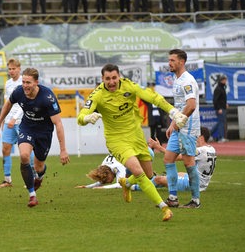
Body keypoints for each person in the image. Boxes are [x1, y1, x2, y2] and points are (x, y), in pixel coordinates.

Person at [77, 63, 188, 221]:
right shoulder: (97, 95)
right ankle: (164, 208)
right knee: (138, 172)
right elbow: (81, 116)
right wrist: (87, 118)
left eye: (114, 77)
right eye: (107, 79)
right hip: (117, 140)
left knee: (149, 174)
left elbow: (153, 97)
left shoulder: (129, 86)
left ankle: (127, 183)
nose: (112, 82)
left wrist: (173, 112)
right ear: (102, 79)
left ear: (119, 76)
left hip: (136, 136)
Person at [0, 68, 70, 207]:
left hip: (44, 133)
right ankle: (32, 195)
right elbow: (8, 104)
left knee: (38, 166)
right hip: (27, 127)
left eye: (28, 82)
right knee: (24, 156)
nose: (25, 85)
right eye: (23, 82)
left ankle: (39, 176)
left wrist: (63, 149)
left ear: (36, 83)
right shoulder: (19, 91)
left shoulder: (47, 97)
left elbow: (58, 123)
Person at [163, 49, 201, 209]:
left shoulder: (187, 80)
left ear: (181, 62)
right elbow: (180, 106)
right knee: (168, 159)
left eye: (172, 60)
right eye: (169, 60)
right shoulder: (177, 79)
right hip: (179, 126)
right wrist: (173, 124)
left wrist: (179, 122)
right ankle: (173, 198)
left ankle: (195, 200)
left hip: (188, 128)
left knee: (188, 163)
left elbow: (191, 106)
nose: (169, 63)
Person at [133, 127, 216, 193]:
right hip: (202, 183)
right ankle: (158, 180)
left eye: (195, 136)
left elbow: (175, 157)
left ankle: (133, 187)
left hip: (192, 184)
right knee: (176, 174)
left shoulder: (200, 151)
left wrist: (158, 147)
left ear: (201, 137)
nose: (193, 139)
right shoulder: (212, 149)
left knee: (158, 180)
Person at [0, 59, 34, 188]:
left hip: (22, 120)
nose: (11, 71)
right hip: (9, 120)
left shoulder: (25, 83)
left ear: (19, 69)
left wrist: (15, 117)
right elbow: (8, 103)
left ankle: (33, 177)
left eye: (13, 69)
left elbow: (25, 103)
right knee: (5, 148)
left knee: (26, 150)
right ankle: (7, 180)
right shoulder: (8, 83)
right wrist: (3, 119)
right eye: (9, 69)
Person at [75, 148, 155, 189]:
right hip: (137, 152)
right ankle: (155, 177)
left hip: (145, 152)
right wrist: (87, 186)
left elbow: (120, 185)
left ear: (108, 173)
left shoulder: (117, 167)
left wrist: (104, 188)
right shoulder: (104, 166)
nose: (107, 182)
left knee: (130, 182)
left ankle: (158, 181)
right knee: (131, 178)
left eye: (106, 179)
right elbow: (102, 180)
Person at [211, 74, 228, 142]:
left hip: (222, 107)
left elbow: (221, 99)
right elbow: (215, 100)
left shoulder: (222, 87)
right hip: (220, 109)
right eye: (224, 80)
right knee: (221, 122)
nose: (225, 81)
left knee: (220, 122)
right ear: (222, 80)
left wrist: (225, 104)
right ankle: (221, 138)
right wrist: (218, 108)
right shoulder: (218, 88)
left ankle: (210, 134)